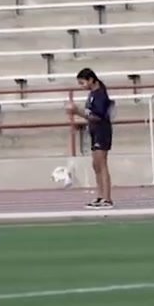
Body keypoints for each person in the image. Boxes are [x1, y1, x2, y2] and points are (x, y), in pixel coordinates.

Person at [65, 68, 114, 208]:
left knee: (101, 163)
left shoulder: (100, 95)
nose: (81, 86)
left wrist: (77, 111)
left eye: (82, 82)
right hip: (94, 131)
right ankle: (100, 196)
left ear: (91, 80)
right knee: (95, 165)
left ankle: (107, 198)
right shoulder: (92, 94)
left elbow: (97, 116)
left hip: (102, 131)